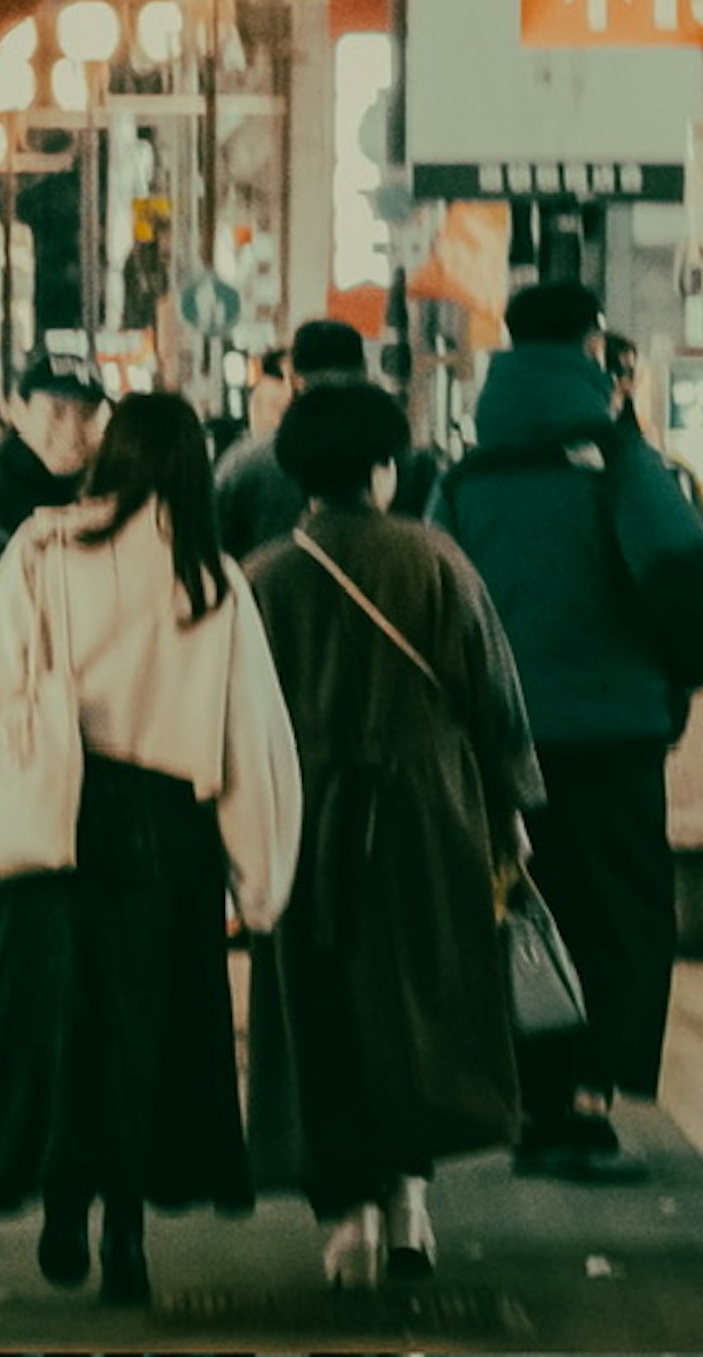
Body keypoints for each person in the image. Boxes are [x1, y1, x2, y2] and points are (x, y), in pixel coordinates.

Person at [0, 388, 300, 1303]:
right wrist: (260, 883)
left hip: (58, 817)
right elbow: (250, 740)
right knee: (147, 1032)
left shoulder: (43, 550)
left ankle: (62, 1207)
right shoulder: (210, 579)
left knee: (61, 1023)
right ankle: (126, 1236)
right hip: (168, 832)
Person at [244, 374, 535, 1302]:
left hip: (305, 823)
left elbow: (237, 725)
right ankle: (411, 1197)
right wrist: (512, 812)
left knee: (317, 1010)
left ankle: (346, 1220)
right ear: (383, 468)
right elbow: (495, 703)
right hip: (429, 818)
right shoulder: (435, 560)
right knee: (422, 1004)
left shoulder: (264, 579)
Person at [439, 283, 703, 1174]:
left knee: (525, 911)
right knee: (619, 916)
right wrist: (684, 672)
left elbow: (442, 602)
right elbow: (683, 575)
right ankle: (587, 1100)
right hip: (612, 737)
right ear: (593, 346)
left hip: (501, 743)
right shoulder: (617, 458)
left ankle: (533, 1095)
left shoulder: (464, 476)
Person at [0, 350, 104, 584]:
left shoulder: (103, 497)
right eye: (57, 411)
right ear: (19, 410)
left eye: (87, 413)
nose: (73, 430)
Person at [214, 315, 368, 559]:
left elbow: (214, 551)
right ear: (364, 375)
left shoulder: (246, 464)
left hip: (263, 591)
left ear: (294, 380)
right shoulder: (398, 460)